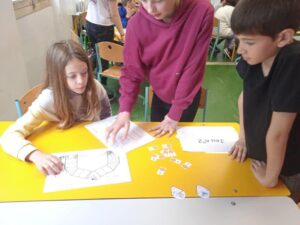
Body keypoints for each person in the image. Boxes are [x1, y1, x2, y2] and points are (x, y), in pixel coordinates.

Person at [105, 0, 214, 143]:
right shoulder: (136, 25)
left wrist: (175, 114)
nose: (150, 9)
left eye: (158, 0)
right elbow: (131, 72)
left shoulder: (202, 10)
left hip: (187, 98)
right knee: (159, 143)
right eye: (143, 1)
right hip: (159, 94)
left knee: (178, 144)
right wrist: (124, 111)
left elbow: (193, 68)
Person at [0, 40, 112, 176]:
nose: (81, 81)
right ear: (58, 77)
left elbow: (107, 116)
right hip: (61, 155)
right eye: (72, 76)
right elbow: (8, 136)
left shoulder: (95, 87)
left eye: (84, 73)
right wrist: (34, 155)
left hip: (91, 150)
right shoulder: (48, 100)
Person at [228, 0, 300, 203]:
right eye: (238, 40)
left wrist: (269, 178)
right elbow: (245, 98)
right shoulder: (254, 56)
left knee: (278, 210)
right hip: (261, 154)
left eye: (249, 42)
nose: (240, 50)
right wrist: (243, 138)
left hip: (288, 165)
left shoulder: (293, 63)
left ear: (283, 37)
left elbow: (279, 133)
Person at [85, 0, 125, 98]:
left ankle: (85, 73)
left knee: (97, 53)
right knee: (104, 58)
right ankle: (101, 91)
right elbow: (114, 15)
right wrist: (122, 33)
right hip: (103, 27)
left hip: (90, 23)